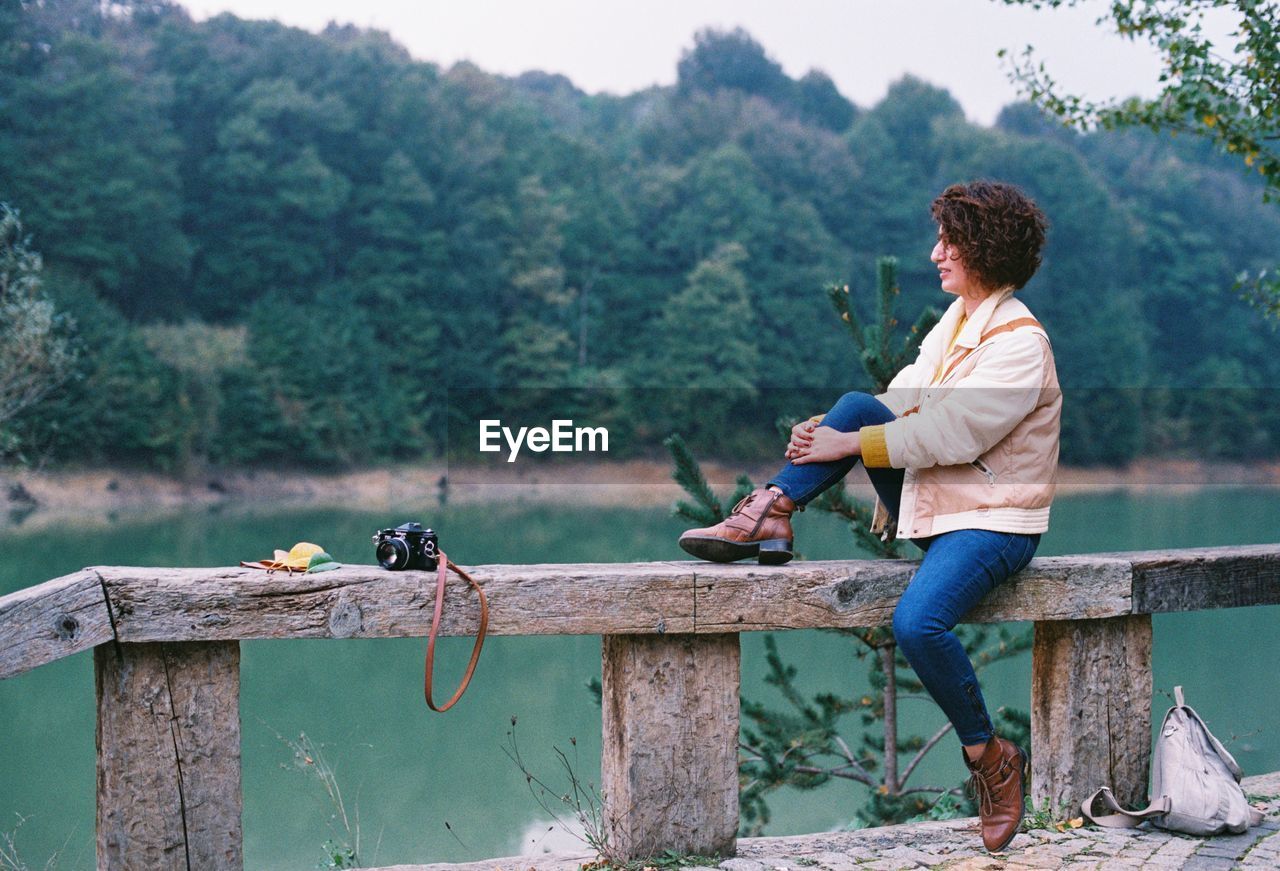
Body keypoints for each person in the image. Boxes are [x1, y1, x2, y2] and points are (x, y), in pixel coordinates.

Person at [678, 180, 1061, 854]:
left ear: (983, 248)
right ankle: (772, 508)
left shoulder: (1020, 342)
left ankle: (992, 757)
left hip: (996, 520)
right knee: (857, 402)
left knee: (918, 621)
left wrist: (850, 444)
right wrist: (834, 429)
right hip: (944, 500)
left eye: (949, 241)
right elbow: (903, 397)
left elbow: (957, 432)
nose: (935, 252)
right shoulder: (960, 321)